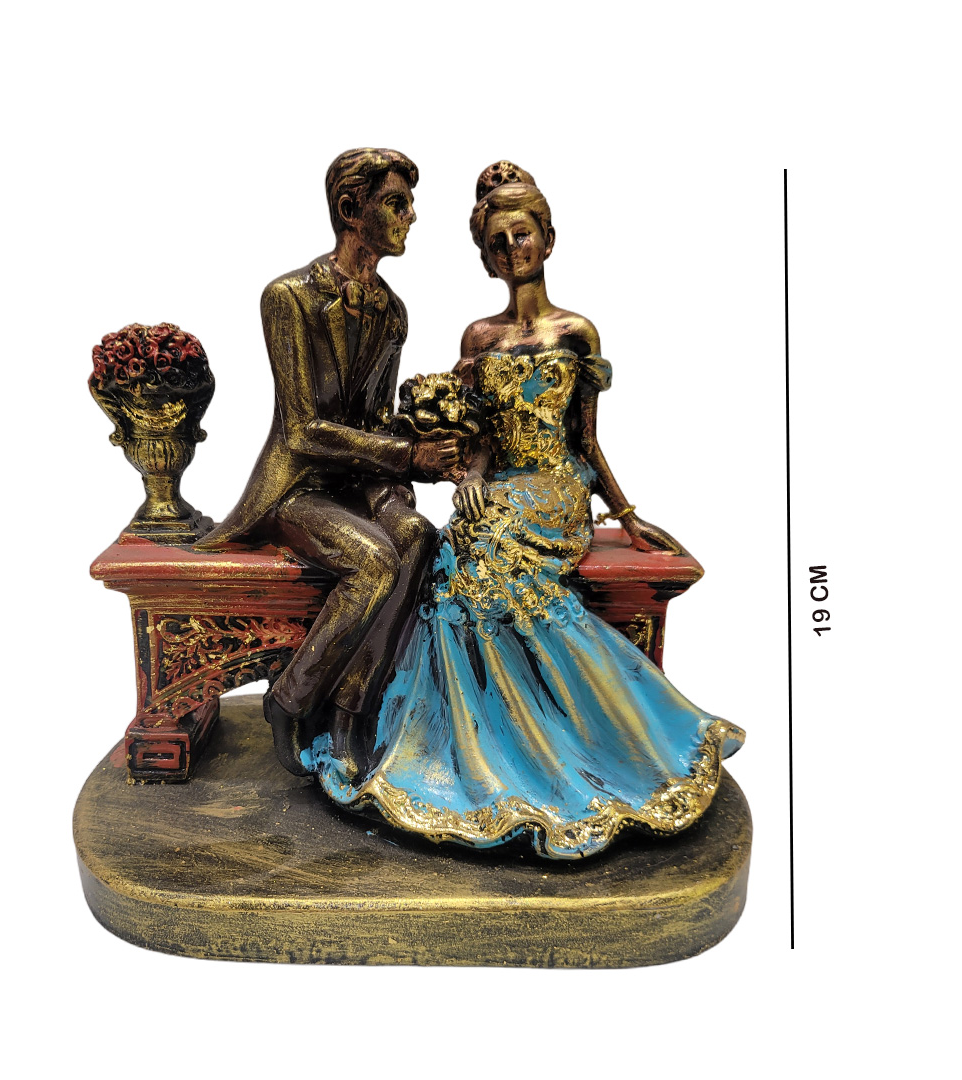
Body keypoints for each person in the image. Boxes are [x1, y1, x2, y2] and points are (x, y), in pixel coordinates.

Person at [302, 162, 744, 859]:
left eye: (523, 235)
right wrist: (472, 476)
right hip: (501, 486)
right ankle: (478, 747)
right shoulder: (479, 339)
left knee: (486, 562)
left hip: (556, 490)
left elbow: (587, 440)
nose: (513, 250)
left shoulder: (577, 332)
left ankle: (577, 737)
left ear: (548, 239)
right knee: (454, 555)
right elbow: (477, 438)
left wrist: (625, 514)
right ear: (486, 258)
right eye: (498, 242)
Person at [194, 148, 461, 778]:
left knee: (418, 537)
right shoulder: (288, 298)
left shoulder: (393, 312)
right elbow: (303, 430)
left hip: (360, 485)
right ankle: (290, 701)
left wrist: (425, 455)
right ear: (349, 209)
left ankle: (351, 708)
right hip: (298, 487)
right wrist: (408, 454)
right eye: (396, 204)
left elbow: (374, 420)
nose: (411, 217)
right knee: (374, 560)